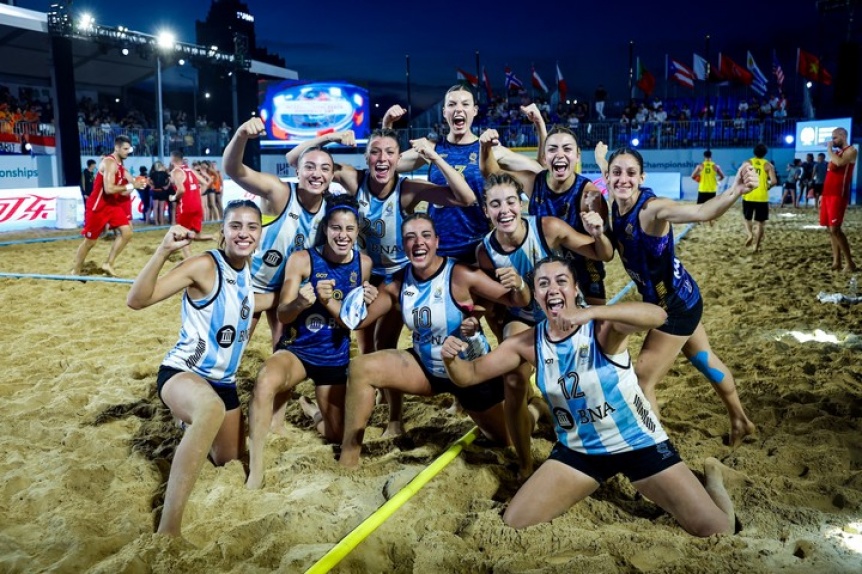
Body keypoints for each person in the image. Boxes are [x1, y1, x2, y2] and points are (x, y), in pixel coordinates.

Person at [440, 256, 736, 536]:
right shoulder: (527, 343)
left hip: (638, 444)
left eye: (561, 281)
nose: (552, 289)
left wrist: (591, 311)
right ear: (536, 296)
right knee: (515, 522)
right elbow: (470, 375)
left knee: (718, 530)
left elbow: (657, 315)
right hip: (580, 452)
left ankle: (713, 478)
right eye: (543, 284)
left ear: (574, 289)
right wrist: (451, 360)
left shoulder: (601, 329)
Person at [285, 127, 478, 434]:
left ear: (399, 158)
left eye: (390, 152)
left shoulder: (407, 189)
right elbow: (296, 159)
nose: (382, 158)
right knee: (365, 348)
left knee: (383, 342)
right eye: (375, 151)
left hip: (399, 277)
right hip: (362, 274)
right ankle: (373, 399)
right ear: (367, 156)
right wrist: (328, 139)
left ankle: (395, 420)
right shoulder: (353, 178)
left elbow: (466, 197)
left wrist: (434, 156)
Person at [336, 214, 535, 474]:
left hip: (470, 373)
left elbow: (518, 301)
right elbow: (358, 321)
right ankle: (348, 459)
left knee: (505, 439)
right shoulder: (397, 283)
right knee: (361, 367)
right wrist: (359, 296)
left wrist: (518, 284)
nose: (419, 242)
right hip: (427, 368)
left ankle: (535, 411)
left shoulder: (460, 274)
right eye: (410, 237)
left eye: (425, 235)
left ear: (436, 241)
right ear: (404, 246)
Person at [602, 146, 757, 447]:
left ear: (642, 177)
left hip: (674, 308)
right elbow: (612, 172)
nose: (623, 179)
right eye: (616, 173)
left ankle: (658, 455)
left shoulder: (652, 209)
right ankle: (740, 420)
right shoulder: (615, 202)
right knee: (704, 359)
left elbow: (700, 212)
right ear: (606, 177)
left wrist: (736, 189)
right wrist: (601, 155)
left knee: (642, 379)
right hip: (685, 295)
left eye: (630, 173)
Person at [126, 199, 262, 537]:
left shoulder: (251, 270)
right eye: (236, 226)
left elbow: (262, 306)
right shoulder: (204, 265)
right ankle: (168, 529)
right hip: (183, 371)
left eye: (251, 227)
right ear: (222, 233)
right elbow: (137, 300)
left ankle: (189, 420)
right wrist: (162, 251)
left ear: (260, 234)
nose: (243, 233)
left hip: (224, 381)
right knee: (209, 408)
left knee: (228, 460)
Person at [246, 196, 375, 489]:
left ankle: (311, 409)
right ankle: (255, 469)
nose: (342, 235)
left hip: (334, 358)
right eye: (335, 228)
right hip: (298, 352)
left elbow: (351, 320)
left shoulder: (363, 263)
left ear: (357, 232)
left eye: (349, 229)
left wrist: (364, 302)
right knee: (265, 381)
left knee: (336, 434)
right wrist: (300, 303)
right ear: (325, 229)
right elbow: (282, 313)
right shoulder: (303, 259)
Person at [383, 87, 535, 264]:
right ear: (444, 112)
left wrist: (538, 123)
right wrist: (387, 125)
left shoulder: (490, 150)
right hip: (438, 249)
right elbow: (388, 164)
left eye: (465, 104)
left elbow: (539, 172)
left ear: (474, 111)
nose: (458, 109)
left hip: (478, 249)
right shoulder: (431, 149)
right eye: (452, 104)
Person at [223, 117, 335, 347]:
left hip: (289, 291)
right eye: (309, 167)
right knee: (232, 349)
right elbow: (235, 170)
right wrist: (241, 135)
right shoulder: (280, 192)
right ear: (297, 170)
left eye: (324, 168)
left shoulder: (332, 210)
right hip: (252, 285)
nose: (317, 174)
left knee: (285, 351)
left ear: (332, 176)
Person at [481, 126, 610, 305]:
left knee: (594, 330)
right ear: (544, 157)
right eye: (552, 149)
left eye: (567, 148)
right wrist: (485, 148)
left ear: (577, 156)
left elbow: (604, 251)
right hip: (547, 274)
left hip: (584, 274)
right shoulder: (535, 182)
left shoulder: (590, 196)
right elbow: (492, 174)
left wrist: (599, 235)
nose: (559, 154)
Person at [72, 135, 146, 276]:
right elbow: (109, 189)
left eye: (128, 149)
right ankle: (75, 270)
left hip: (111, 205)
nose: (127, 152)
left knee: (127, 232)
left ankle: (108, 263)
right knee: (90, 242)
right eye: (124, 149)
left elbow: (124, 189)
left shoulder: (119, 165)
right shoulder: (109, 163)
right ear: (116, 148)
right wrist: (131, 185)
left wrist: (136, 185)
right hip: (97, 206)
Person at [821, 127, 857, 272]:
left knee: (836, 229)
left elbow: (839, 163)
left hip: (838, 195)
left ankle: (850, 263)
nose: (833, 140)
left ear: (843, 135)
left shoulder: (851, 151)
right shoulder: (837, 153)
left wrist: (829, 150)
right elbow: (830, 175)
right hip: (828, 195)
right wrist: (822, 195)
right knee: (830, 229)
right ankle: (837, 261)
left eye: (835, 137)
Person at [168, 151, 208, 259]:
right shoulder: (191, 170)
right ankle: (213, 237)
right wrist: (196, 194)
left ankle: (189, 261)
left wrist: (173, 198)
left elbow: (181, 190)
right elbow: (206, 183)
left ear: (172, 159)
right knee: (195, 235)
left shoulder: (176, 171)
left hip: (185, 206)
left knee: (182, 236)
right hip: (197, 205)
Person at [739, 143, 777, 253]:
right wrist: (767, 187)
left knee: (747, 218)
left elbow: (741, 178)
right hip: (761, 196)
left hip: (749, 194)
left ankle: (750, 234)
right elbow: (774, 181)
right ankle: (756, 246)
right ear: (765, 153)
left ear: (754, 152)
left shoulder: (747, 163)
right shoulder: (768, 165)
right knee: (760, 222)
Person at [149, 161, 171, 226]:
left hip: (155, 191)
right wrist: (167, 186)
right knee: (161, 208)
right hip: (162, 191)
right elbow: (170, 179)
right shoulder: (164, 173)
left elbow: (148, 180)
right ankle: (162, 222)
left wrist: (151, 186)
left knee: (155, 208)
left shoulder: (153, 173)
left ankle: (156, 222)